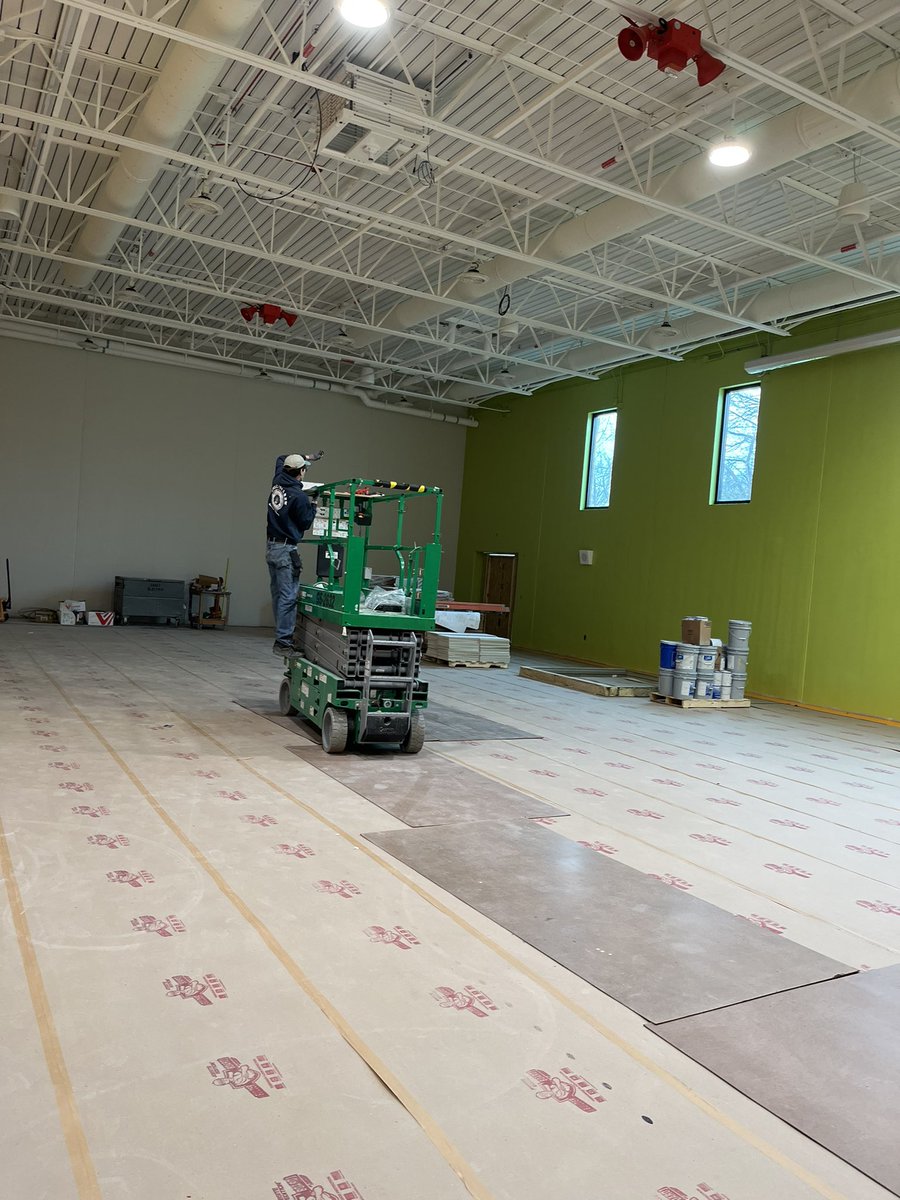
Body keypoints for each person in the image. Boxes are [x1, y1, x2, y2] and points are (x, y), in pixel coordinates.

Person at [266, 453, 317, 654]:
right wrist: (313, 506)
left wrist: (306, 455)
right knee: (288, 597)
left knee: (278, 594)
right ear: (301, 472)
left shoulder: (278, 481)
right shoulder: (300, 497)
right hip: (286, 550)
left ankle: (281, 636)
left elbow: (279, 457)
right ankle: (283, 642)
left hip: (271, 547)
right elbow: (305, 522)